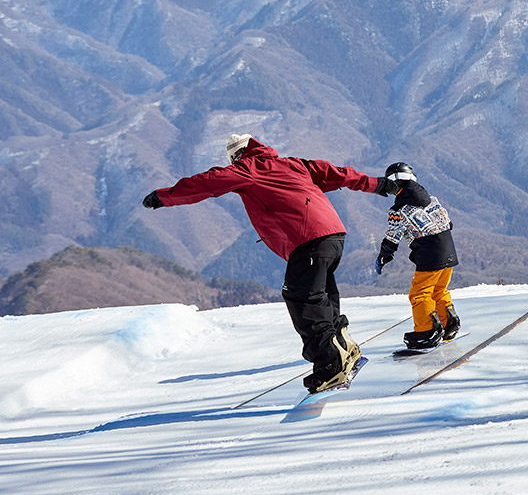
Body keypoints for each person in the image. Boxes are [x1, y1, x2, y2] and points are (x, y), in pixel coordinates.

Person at [142, 134, 397, 393]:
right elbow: (337, 174)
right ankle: (344, 347)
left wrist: (165, 196)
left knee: (301, 297)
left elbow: (209, 181)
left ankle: (330, 366)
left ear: (237, 156)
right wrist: (377, 184)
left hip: (307, 237)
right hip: (333, 234)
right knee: (321, 295)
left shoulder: (249, 168)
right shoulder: (293, 164)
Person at [373, 162, 460, 350]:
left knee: (419, 293)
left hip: (430, 255)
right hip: (449, 249)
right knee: (439, 290)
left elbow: (392, 238)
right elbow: (449, 223)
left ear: (394, 183)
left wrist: (383, 257)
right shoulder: (433, 200)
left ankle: (426, 332)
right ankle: (448, 323)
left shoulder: (399, 210)